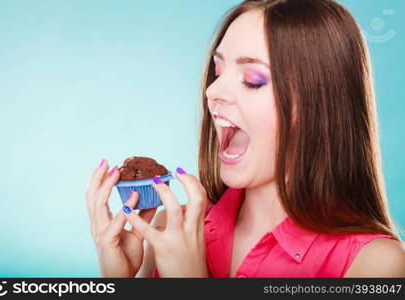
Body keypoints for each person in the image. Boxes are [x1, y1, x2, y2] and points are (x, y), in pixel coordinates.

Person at [85, 0, 405, 278]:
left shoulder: (375, 265)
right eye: (218, 71)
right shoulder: (170, 228)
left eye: (252, 80)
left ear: (318, 106)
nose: (212, 92)